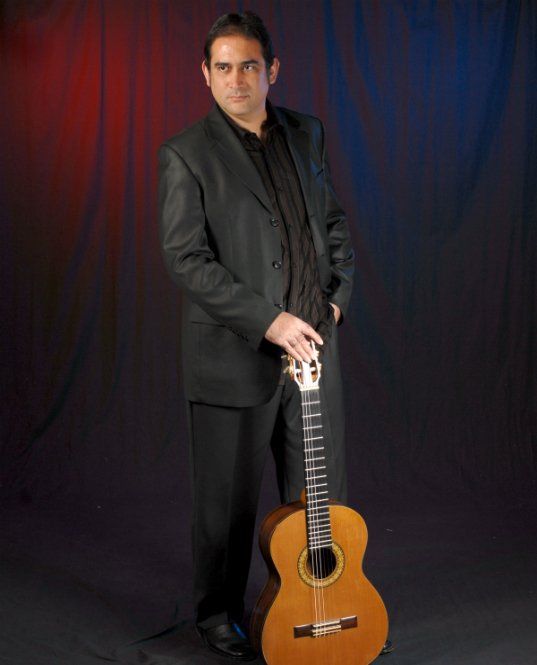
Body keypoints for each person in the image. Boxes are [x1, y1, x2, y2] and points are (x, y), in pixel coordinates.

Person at [158, 11, 391, 661]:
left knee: (321, 497)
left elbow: (333, 224)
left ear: (272, 70)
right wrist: (269, 320)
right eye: (223, 67)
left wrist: (335, 303)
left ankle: (329, 605)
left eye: (249, 66)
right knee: (227, 503)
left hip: (314, 352)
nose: (236, 79)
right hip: (234, 354)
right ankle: (217, 613)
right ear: (205, 75)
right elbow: (186, 260)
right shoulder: (184, 154)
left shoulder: (307, 133)